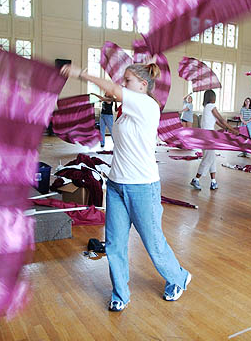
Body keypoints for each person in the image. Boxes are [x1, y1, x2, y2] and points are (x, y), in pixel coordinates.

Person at [61, 62, 191, 312]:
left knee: (153, 243)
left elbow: (112, 89)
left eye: (128, 81)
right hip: (117, 185)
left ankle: (179, 277)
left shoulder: (148, 105)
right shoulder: (125, 110)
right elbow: (112, 92)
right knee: (114, 244)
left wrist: (82, 74)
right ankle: (120, 293)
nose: (123, 85)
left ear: (143, 85)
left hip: (142, 187)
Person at [190, 90, 238, 190]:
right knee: (208, 158)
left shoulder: (206, 108)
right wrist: (232, 130)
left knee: (211, 158)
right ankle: (196, 179)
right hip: (208, 137)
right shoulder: (211, 106)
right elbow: (221, 119)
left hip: (205, 136)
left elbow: (216, 121)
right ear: (212, 98)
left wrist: (226, 129)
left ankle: (213, 181)